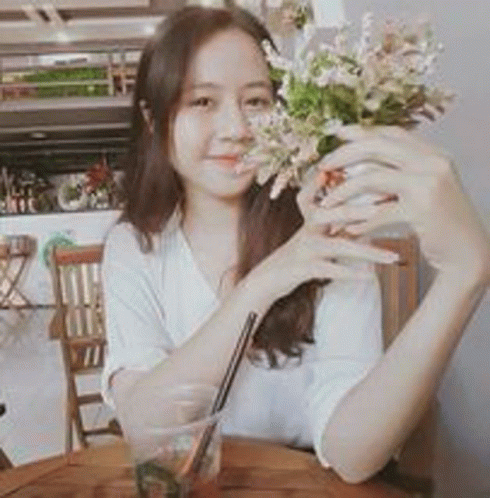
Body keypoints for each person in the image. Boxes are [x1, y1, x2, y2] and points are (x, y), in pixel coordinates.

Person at [101, 5, 490, 483]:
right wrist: (267, 280)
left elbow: (352, 456)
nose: (236, 129)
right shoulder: (133, 247)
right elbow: (146, 424)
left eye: (257, 101)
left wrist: (463, 278)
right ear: (154, 119)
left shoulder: (331, 232)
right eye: (201, 102)